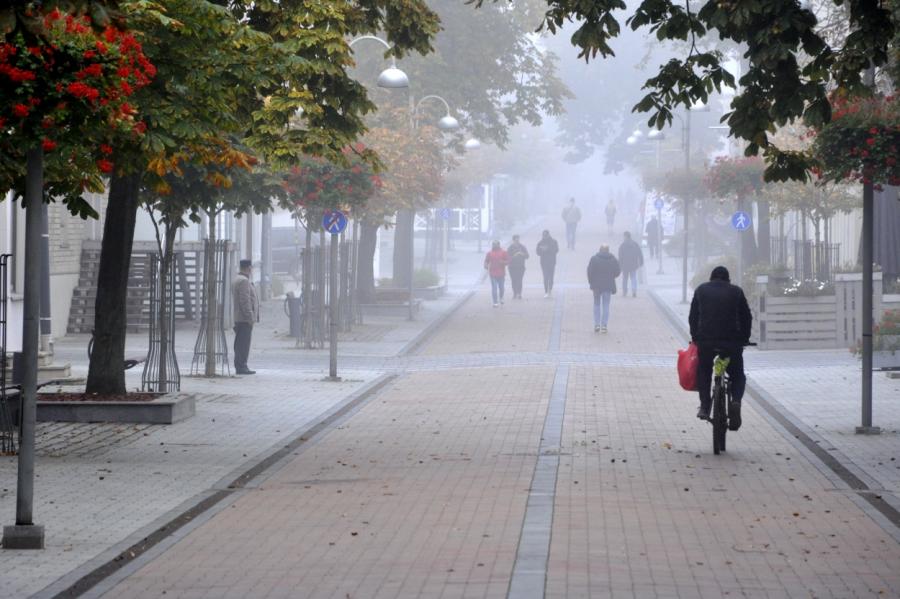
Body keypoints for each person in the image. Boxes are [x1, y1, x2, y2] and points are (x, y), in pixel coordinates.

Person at [688, 266, 753, 430]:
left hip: (706, 342)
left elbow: (693, 317)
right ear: (728, 280)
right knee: (737, 374)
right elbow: (746, 317)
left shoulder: (701, 290)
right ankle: (736, 401)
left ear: (711, 278)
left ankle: (704, 406)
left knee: (704, 371)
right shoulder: (736, 291)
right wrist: (744, 339)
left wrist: (695, 337)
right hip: (731, 343)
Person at [231, 259, 259, 375]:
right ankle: (241, 366)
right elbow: (245, 301)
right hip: (244, 319)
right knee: (243, 344)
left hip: (239, 317)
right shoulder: (244, 281)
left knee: (240, 343)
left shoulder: (237, 279)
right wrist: (250, 317)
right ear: (249, 268)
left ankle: (241, 365)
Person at [586, 244, 620, 333]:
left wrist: (591, 281)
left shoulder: (594, 259)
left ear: (600, 250)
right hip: (608, 285)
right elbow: (617, 272)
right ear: (608, 250)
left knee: (596, 304)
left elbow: (589, 271)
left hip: (597, 286)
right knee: (606, 305)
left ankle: (597, 324)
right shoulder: (613, 259)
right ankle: (604, 325)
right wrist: (611, 276)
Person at [617, 231, 644, 297]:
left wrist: (619, 265)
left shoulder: (622, 245)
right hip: (633, 264)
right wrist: (641, 262)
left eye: (624, 236)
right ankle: (634, 290)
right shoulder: (635, 244)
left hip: (625, 265)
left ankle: (624, 291)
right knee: (633, 278)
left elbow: (620, 256)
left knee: (625, 279)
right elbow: (640, 253)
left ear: (625, 236)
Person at [484, 240, 510, 307]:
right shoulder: (489, 253)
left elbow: (508, 261)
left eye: (496, 244)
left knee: (501, 288)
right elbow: (486, 261)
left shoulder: (503, 252)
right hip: (492, 273)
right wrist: (486, 265)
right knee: (494, 288)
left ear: (499, 245)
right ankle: (495, 302)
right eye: (493, 244)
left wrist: (503, 262)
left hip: (501, 274)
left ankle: (501, 297)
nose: (494, 245)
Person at [535, 230, 559, 298]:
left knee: (551, 277)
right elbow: (537, 252)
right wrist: (542, 250)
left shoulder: (554, 242)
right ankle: (546, 291)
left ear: (548, 235)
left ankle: (550, 289)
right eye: (543, 235)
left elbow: (556, 250)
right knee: (545, 277)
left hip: (552, 262)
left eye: (546, 235)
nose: (544, 237)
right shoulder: (540, 243)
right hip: (544, 263)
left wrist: (548, 249)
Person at [507, 235, 530, 299]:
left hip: (521, 266)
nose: (517, 241)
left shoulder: (522, 247)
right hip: (512, 267)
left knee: (519, 280)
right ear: (513, 240)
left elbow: (527, 256)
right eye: (516, 240)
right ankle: (514, 293)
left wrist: (522, 254)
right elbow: (507, 257)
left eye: (518, 239)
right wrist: (514, 256)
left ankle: (519, 293)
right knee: (514, 280)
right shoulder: (510, 248)